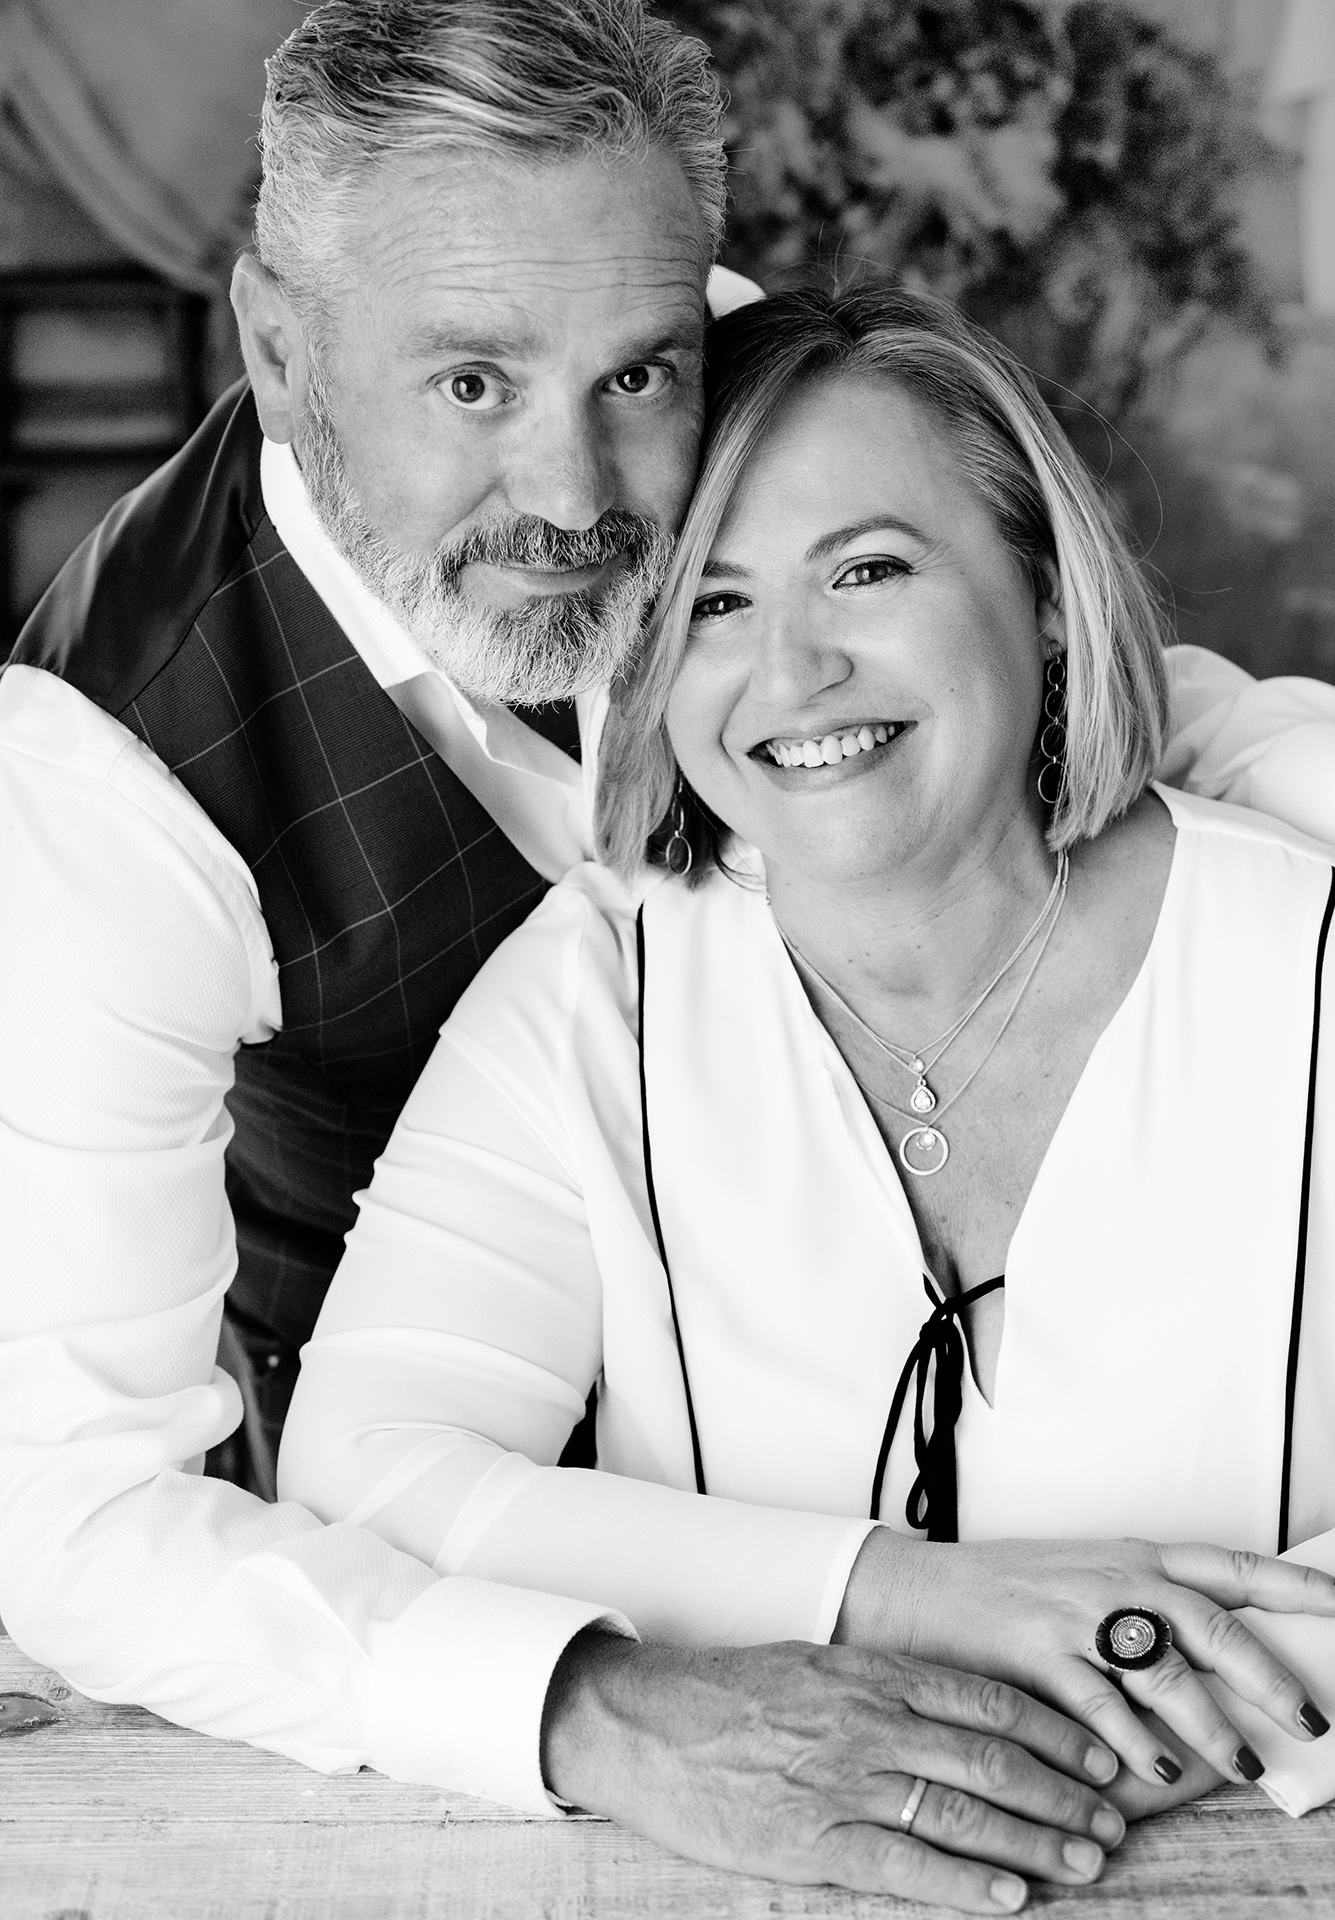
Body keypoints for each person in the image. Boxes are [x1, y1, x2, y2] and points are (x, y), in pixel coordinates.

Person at [0, 5, 1163, 1902]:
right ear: (280, 347)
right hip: (439, 1551)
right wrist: (599, 1714)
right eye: (471, 383)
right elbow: (76, 1524)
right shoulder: (101, 778)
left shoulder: (706, 359)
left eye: (637, 373)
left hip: (912, 1462)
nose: (574, 488)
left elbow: (1062, 682)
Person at [282, 284, 1335, 1884]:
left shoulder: (1305, 946)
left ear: (1046, 592)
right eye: (711, 602)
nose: (794, 669)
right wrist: (900, 1596)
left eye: (869, 569)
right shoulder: (594, 990)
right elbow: (368, 1471)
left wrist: (1180, 1703)